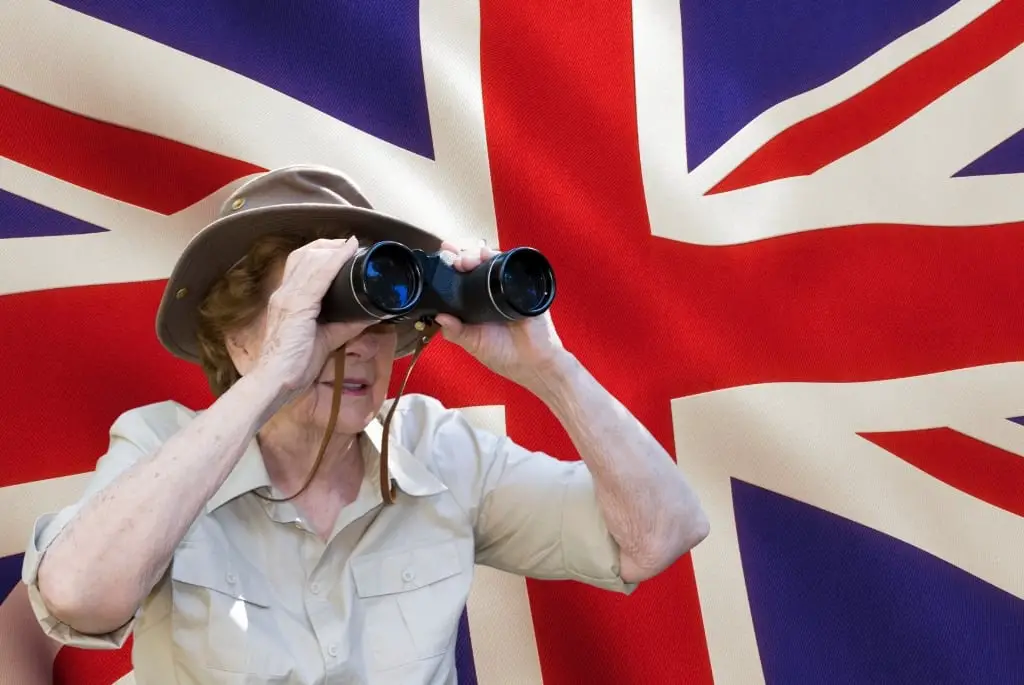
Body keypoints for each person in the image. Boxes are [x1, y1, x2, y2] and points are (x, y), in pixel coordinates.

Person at [21, 165, 710, 685]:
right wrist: (273, 379)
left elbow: (659, 535)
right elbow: (78, 596)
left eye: (377, 317)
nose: (359, 344)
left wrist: (549, 367)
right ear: (236, 338)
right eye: (322, 311)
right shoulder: (162, 449)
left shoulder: (439, 452)